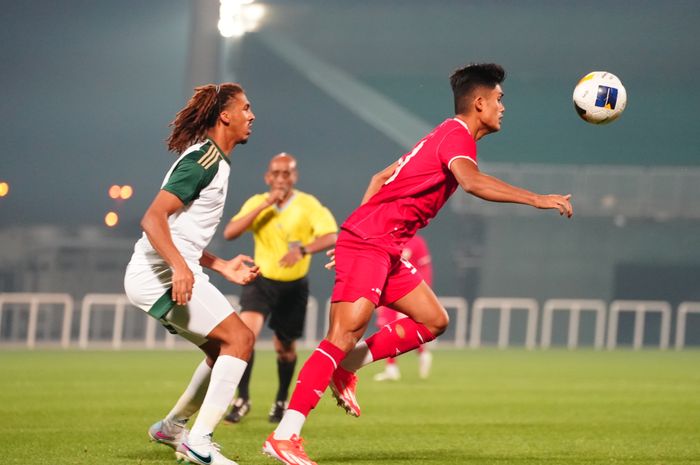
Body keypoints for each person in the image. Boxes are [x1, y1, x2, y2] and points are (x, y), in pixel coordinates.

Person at [261, 63, 574, 465]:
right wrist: (537, 199)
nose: (502, 107)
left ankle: (347, 368)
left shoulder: (443, 135)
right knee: (341, 335)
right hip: (372, 244)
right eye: (499, 99)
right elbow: (473, 183)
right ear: (479, 103)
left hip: (382, 246)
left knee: (434, 320)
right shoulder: (457, 136)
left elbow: (379, 178)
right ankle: (284, 436)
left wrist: (357, 232)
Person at [124, 82, 260, 465]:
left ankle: (173, 428)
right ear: (225, 115)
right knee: (241, 340)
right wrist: (181, 269)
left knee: (222, 351)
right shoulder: (204, 160)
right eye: (246, 108)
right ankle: (198, 442)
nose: (252, 116)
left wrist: (221, 266)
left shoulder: (216, 161)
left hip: (162, 272)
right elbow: (153, 218)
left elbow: (182, 234)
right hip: (157, 275)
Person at [222, 152, 338, 424]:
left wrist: (304, 250)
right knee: (245, 338)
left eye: (287, 173)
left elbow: (332, 236)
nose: (281, 178)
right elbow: (230, 232)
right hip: (260, 281)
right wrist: (264, 205)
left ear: (294, 177)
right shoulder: (257, 202)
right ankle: (242, 399)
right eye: (276, 173)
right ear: (267, 177)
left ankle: (281, 399)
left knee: (284, 348)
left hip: (293, 287)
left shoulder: (308, 205)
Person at [372, 233, 433, 382]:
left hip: (407, 291)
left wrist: (420, 295)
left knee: (402, 330)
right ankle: (391, 368)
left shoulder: (415, 241)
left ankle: (422, 352)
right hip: (389, 289)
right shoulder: (389, 240)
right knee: (385, 326)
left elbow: (424, 269)